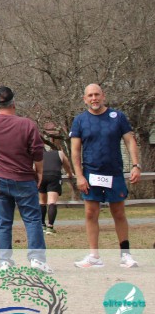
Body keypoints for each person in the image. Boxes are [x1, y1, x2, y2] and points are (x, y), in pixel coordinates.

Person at [0, 86, 51, 273]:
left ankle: (5, 261)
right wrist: (39, 171)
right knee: (32, 219)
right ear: (14, 102)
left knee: (3, 222)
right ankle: (37, 259)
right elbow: (37, 151)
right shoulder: (27, 124)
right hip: (23, 178)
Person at [71, 83, 142, 269]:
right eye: (90, 95)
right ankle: (94, 256)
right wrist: (79, 176)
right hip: (91, 174)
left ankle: (125, 255)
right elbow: (75, 151)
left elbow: (130, 141)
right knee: (90, 213)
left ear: (103, 96)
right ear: (85, 99)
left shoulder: (118, 117)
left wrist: (136, 165)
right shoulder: (79, 120)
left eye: (97, 94)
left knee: (118, 213)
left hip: (114, 173)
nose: (94, 98)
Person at [38, 143, 74, 234]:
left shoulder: (40, 155)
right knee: (52, 202)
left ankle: (42, 225)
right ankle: (50, 226)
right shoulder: (60, 153)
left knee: (42, 201)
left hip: (42, 175)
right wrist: (69, 173)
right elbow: (67, 165)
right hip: (54, 175)